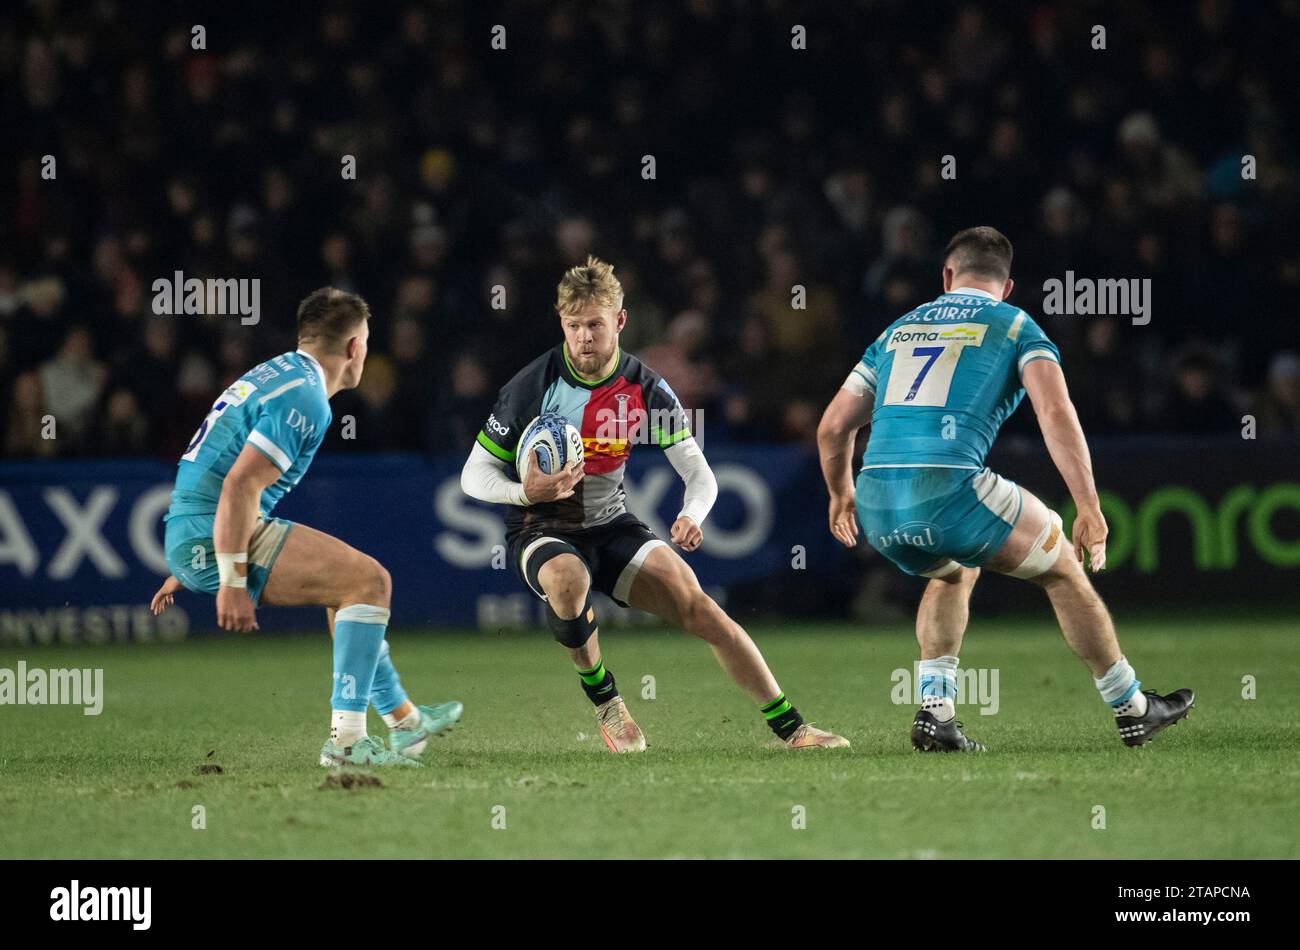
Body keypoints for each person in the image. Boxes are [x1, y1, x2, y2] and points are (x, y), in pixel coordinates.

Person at [817, 227, 1193, 751]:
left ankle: (936, 713)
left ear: (947, 276)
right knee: (1062, 566)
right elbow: (1055, 412)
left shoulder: (897, 329)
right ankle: (1133, 707)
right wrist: (1088, 505)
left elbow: (834, 428)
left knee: (953, 571)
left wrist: (841, 494)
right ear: (1007, 285)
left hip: (878, 500)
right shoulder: (1016, 325)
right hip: (950, 489)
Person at [461, 256, 848, 752]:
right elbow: (474, 475)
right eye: (574, 325)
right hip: (541, 526)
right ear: (561, 322)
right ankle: (608, 703)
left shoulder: (644, 387)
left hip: (611, 523)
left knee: (701, 608)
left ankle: (794, 729)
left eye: (595, 325)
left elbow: (698, 473)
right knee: (568, 578)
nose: (583, 337)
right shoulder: (532, 386)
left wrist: (692, 514)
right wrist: (524, 492)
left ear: (619, 321)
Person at [149, 288, 461, 767]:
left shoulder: (277, 372)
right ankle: (347, 745)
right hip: (213, 528)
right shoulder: (306, 397)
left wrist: (191, 554)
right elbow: (238, 485)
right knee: (369, 582)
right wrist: (228, 578)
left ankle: (405, 723)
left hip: (201, 529)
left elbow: (217, 467)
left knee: (350, 593)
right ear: (354, 347)